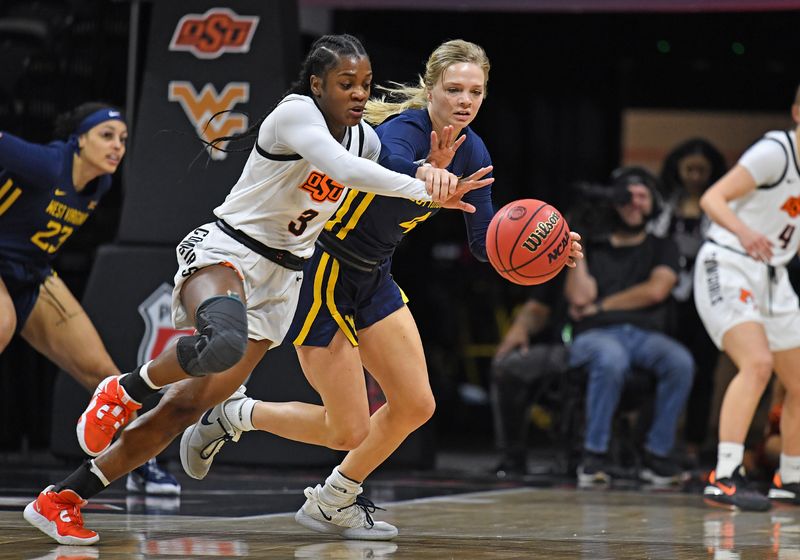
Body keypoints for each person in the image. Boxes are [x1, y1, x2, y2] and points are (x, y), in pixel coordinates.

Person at [23, 34, 491, 546]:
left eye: (364, 85)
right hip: (230, 250)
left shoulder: (369, 141)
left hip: (284, 277)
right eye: (345, 84)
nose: (358, 95)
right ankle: (124, 388)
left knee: (184, 408)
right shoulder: (296, 115)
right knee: (219, 343)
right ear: (317, 85)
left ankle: (61, 500)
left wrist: (444, 182)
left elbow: (381, 172)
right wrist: (426, 180)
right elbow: (347, 170)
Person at [176, 39, 583, 540]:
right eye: (453, 89)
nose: (464, 100)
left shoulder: (474, 150)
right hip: (321, 269)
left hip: (373, 274)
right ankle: (236, 414)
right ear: (430, 90)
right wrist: (422, 173)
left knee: (417, 404)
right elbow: (381, 168)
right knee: (348, 428)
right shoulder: (402, 130)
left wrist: (545, 245)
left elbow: (485, 243)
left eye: (475, 91)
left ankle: (334, 500)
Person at [0, 103, 180, 496]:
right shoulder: (47, 163)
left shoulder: (101, 183)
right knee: (3, 324)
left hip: (32, 275)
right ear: (78, 139)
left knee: (106, 376)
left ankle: (138, 464)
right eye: (106, 136)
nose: (117, 146)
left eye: (123, 139)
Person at [697, 84, 800, 511]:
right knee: (757, 364)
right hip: (728, 259)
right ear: (797, 111)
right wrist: (745, 232)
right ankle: (724, 475)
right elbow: (711, 198)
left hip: (773, 276)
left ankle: (791, 479)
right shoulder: (776, 151)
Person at [566, 167, 695, 486]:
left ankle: (657, 454)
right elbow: (581, 296)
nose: (635, 203)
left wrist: (601, 307)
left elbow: (657, 290)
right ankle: (594, 456)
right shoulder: (592, 245)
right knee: (611, 359)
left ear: (654, 203)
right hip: (593, 336)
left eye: (643, 196)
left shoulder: (663, 246)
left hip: (643, 335)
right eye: (627, 196)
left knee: (680, 362)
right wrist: (577, 240)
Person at [653, 138, 728, 465]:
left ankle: (695, 443)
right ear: (677, 170)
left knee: (703, 372)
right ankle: (659, 442)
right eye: (689, 169)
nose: (695, 176)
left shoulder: (721, 204)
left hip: (707, 297)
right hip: (670, 296)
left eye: (702, 170)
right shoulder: (666, 205)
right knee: (666, 369)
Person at [490, 274, 569, 477]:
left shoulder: (651, 250)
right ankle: (511, 458)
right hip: (562, 347)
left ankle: (588, 457)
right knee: (506, 365)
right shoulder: (562, 255)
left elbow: (581, 297)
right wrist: (520, 326)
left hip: (603, 340)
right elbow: (538, 306)